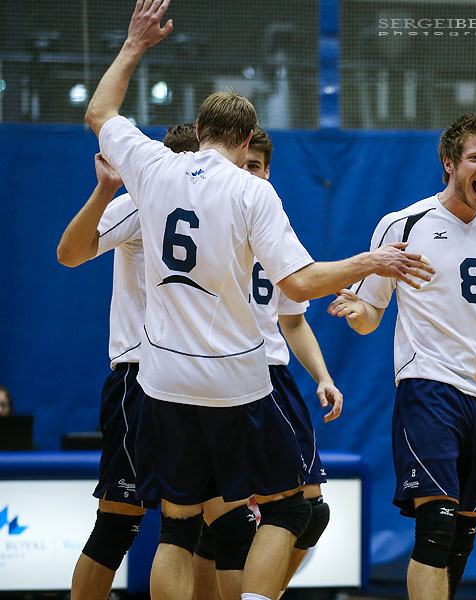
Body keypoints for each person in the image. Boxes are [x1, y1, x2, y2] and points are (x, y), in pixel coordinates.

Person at [83, 3, 431, 600]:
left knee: (177, 525)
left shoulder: (154, 168)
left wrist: (136, 45)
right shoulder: (252, 192)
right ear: (247, 140)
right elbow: (298, 284)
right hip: (235, 381)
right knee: (294, 509)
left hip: (163, 377)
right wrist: (371, 262)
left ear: (200, 128)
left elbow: (99, 111)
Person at [327, 113, 476, 600]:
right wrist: (355, 307)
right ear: (449, 163)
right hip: (429, 388)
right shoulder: (404, 224)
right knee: (436, 527)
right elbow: (372, 312)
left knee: (462, 539)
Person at [58, 125, 256, 600]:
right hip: (139, 378)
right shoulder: (144, 198)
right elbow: (69, 253)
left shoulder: (226, 206)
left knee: (223, 524)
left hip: (194, 380)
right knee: (119, 523)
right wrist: (106, 189)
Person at [193, 127, 343, 598]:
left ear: (268, 172)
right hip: (224, 375)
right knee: (227, 518)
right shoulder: (207, 227)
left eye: (255, 166)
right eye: (240, 165)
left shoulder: (272, 226)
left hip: (274, 378)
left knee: (309, 512)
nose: (246, 174)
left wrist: (322, 375)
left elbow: (293, 320)